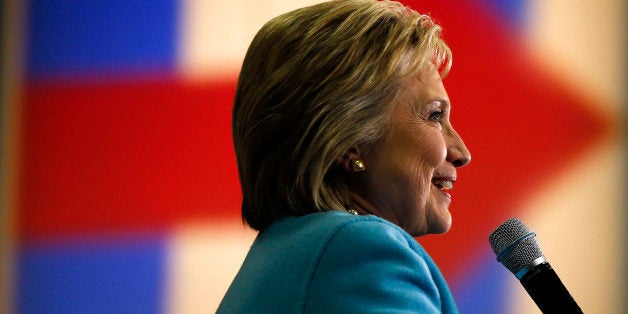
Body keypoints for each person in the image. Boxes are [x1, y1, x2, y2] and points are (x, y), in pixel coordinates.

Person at [217, 0, 471, 312]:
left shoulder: (285, 252)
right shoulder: (360, 252)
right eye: (434, 116)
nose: (462, 153)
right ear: (350, 139)